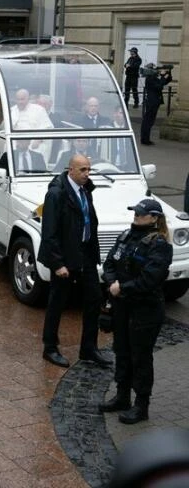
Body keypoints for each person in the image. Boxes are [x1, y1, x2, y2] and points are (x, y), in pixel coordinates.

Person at [100, 199, 172, 424]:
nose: (136, 217)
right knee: (121, 351)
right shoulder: (125, 236)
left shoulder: (159, 245)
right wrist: (113, 283)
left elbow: (150, 279)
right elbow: (110, 263)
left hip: (146, 310)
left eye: (141, 215)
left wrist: (122, 288)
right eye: (135, 213)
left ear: (153, 218)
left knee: (140, 356)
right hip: (123, 306)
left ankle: (141, 406)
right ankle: (122, 396)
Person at [38, 154, 112, 368]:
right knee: (57, 301)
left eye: (89, 169)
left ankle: (89, 348)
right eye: (82, 170)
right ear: (70, 170)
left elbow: (87, 220)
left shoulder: (86, 189)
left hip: (85, 253)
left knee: (94, 298)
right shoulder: (56, 194)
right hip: (65, 257)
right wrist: (58, 264)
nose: (87, 174)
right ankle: (50, 347)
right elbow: (49, 232)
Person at [140, 64, 172, 146]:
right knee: (148, 121)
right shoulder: (150, 79)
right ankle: (144, 139)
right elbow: (159, 86)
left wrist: (168, 72)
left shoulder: (153, 78)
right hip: (152, 102)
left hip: (154, 102)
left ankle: (146, 139)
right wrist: (162, 77)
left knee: (149, 121)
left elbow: (167, 81)